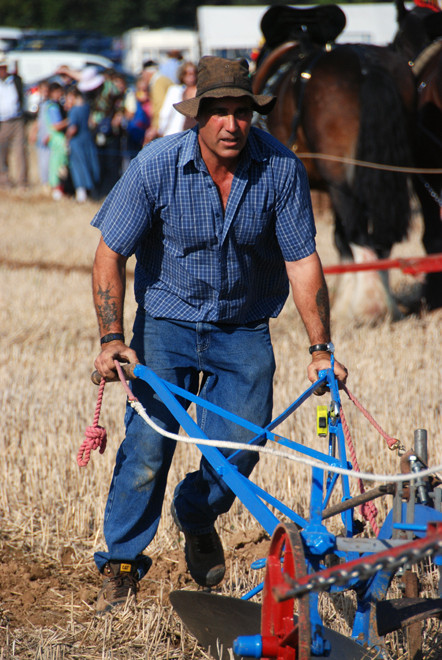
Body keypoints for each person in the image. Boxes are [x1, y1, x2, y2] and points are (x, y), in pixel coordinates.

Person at [90, 55, 348, 613]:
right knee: (150, 445)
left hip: (244, 325)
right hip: (167, 321)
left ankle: (198, 512)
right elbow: (110, 253)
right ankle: (122, 564)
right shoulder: (155, 166)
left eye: (242, 112)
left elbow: (302, 262)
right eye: (220, 112)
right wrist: (112, 336)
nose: (232, 124)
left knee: (241, 445)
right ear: (198, 116)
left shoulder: (280, 170)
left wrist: (321, 349)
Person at [64, 86, 100, 202]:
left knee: (79, 168)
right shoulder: (86, 107)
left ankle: (81, 195)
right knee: (90, 165)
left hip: (77, 142)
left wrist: (67, 138)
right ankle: (93, 192)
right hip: (88, 140)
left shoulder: (74, 110)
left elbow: (73, 128)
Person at [0, 54, 28, 188]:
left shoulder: (16, 81)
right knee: (2, 152)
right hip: (2, 122)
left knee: (20, 151)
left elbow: (23, 98)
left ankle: (22, 181)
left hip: (17, 119)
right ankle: (4, 180)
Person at [158, 61, 197, 136]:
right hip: (174, 133)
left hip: (193, 133)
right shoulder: (174, 90)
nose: (191, 77)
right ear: (182, 75)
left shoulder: (200, 91)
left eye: (194, 73)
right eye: (187, 74)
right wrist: (161, 130)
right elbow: (165, 113)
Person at [44, 82, 69, 200]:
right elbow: (56, 126)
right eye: (58, 92)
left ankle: (59, 190)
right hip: (58, 140)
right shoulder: (53, 107)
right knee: (58, 165)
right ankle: (57, 190)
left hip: (55, 140)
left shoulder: (49, 105)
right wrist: (70, 120)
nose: (60, 94)